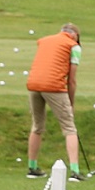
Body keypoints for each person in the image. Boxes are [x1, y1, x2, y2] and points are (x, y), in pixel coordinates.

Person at [24, 23, 82, 180]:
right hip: (54, 87)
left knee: (37, 126)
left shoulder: (45, 40)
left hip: (33, 85)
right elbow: (72, 80)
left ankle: (32, 167)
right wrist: (71, 103)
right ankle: (75, 171)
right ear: (75, 35)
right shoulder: (74, 46)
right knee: (69, 128)